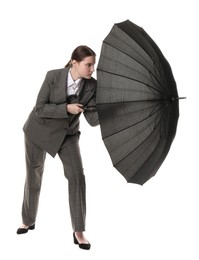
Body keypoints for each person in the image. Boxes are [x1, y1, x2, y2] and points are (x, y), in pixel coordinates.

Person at [16, 45, 99, 250]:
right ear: (74, 63)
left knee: (77, 176)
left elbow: (93, 119)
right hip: (39, 130)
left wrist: (111, 108)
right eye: (88, 65)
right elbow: (40, 107)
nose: (92, 69)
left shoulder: (92, 86)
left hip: (67, 135)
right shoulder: (52, 76)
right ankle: (28, 220)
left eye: (93, 65)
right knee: (34, 173)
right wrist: (66, 108)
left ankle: (78, 231)